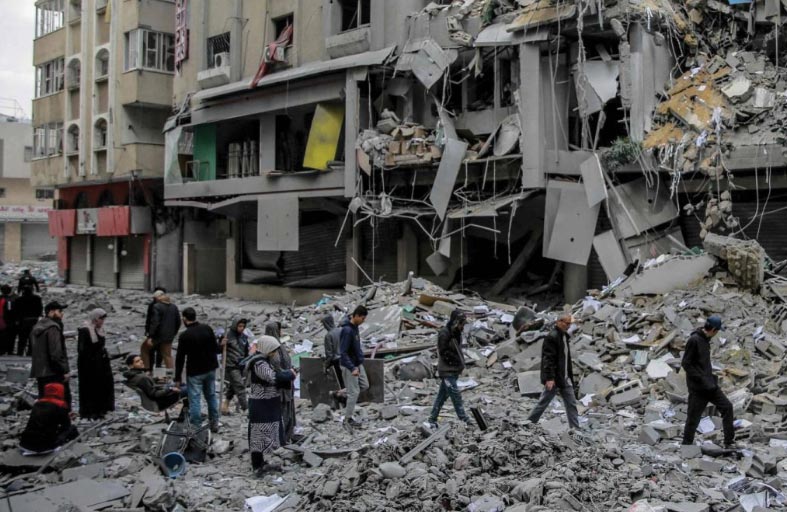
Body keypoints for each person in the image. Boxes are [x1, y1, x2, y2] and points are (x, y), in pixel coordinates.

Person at [681, 315, 737, 448]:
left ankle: (729, 442)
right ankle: (686, 446)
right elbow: (686, 363)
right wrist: (701, 378)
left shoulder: (705, 340)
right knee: (693, 418)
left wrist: (709, 378)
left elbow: (701, 363)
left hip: (710, 386)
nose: (717, 333)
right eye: (717, 331)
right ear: (712, 329)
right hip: (698, 388)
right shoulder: (694, 340)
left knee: (727, 407)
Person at [246, 335, 296, 477]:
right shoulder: (258, 363)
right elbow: (272, 377)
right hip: (261, 404)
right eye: (273, 350)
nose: (274, 353)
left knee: (265, 432)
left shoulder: (263, 360)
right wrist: (289, 374)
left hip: (267, 402)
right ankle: (257, 465)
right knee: (258, 435)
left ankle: (261, 462)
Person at [526, 314, 580, 429]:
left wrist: (569, 376)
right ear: (559, 322)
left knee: (571, 404)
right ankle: (528, 423)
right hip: (555, 378)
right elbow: (548, 359)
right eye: (567, 323)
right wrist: (549, 378)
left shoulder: (564, 336)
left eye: (570, 324)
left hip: (564, 378)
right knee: (543, 403)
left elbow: (565, 358)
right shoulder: (552, 337)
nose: (568, 326)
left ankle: (575, 430)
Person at [174, 307, 221, 432]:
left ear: (184, 318)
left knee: (195, 400)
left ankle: (196, 427)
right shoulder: (207, 328)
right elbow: (216, 349)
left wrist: (177, 378)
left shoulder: (184, 336)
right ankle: (214, 423)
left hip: (195, 372)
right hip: (210, 368)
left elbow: (180, 358)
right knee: (211, 396)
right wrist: (222, 344)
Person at [426, 309, 472, 428]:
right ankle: (464, 418)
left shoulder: (456, 333)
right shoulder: (445, 333)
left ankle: (432, 419)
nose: (462, 327)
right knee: (455, 395)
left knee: (442, 396)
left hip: (454, 370)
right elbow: (443, 352)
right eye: (461, 324)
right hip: (447, 371)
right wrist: (456, 360)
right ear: (456, 322)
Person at [30, 301, 71, 410]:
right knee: (59, 401)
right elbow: (56, 353)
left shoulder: (38, 326)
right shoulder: (53, 328)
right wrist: (64, 371)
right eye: (60, 311)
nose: (62, 313)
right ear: (51, 312)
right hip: (53, 372)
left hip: (41, 372)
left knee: (45, 400)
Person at [77, 308, 115, 420]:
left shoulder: (100, 330)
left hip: (101, 363)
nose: (102, 321)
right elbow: (82, 350)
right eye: (100, 319)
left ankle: (102, 409)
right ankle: (90, 411)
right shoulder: (85, 330)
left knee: (102, 386)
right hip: (89, 365)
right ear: (95, 319)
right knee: (90, 387)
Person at [20, 382, 78, 453]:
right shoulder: (61, 405)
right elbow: (66, 426)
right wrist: (67, 417)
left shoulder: (37, 404)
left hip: (24, 443)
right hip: (44, 446)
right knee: (72, 429)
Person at [265, 320, 298, 442]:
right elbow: (274, 368)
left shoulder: (279, 346)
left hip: (286, 384)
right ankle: (279, 439)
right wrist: (288, 373)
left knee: (287, 411)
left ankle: (286, 436)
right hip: (278, 387)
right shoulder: (269, 349)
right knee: (280, 412)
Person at [339, 305, 369, 431]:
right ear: (356, 316)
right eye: (362, 318)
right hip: (349, 365)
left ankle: (341, 393)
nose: (363, 321)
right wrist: (352, 368)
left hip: (357, 363)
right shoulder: (347, 330)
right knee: (354, 393)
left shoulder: (355, 327)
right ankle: (347, 419)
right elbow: (343, 352)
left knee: (364, 385)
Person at [142, 292, 181, 370]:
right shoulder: (174, 307)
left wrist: (150, 336)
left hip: (158, 336)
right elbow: (178, 322)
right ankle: (170, 374)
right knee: (167, 356)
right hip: (169, 336)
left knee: (144, 349)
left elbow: (155, 322)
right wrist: (173, 333)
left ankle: (147, 371)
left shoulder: (157, 306)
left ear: (158, 299)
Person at [221, 318, 251, 414]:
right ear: (235, 326)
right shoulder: (227, 336)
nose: (241, 328)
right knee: (239, 386)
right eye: (239, 326)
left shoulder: (244, 337)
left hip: (241, 365)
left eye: (243, 326)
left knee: (233, 386)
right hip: (231, 365)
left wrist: (247, 361)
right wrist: (221, 344)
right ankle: (246, 408)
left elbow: (246, 351)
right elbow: (218, 350)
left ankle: (225, 405)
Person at [15, 285, 43, 356]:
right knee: (32, 338)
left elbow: (16, 311)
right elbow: (40, 309)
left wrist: (17, 320)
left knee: (22, 339)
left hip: (23, 321)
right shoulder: (37, 298)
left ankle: (20, 353)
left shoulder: (19, 299)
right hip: (33, 320)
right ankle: (30, 353)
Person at [143, 287, 166, 368]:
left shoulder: (164, 305)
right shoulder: (154, 305)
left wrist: (148, 332)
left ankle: (153, 369)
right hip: (158, 333)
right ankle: (154, 369)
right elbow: (149, 319)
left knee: (156, 352)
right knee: (155, 351)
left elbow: (150, 320)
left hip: (156, 333)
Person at [322, 314, 344, 389]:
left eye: (324, 324)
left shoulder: (328, 336)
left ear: (327, 324)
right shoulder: (341, 330)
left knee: (340, 383)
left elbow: (329, 354)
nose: (324, 327)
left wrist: (326, 365)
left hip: (337, 362)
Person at [0, 284, 15, 355]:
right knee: (7, 336)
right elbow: (9, 310)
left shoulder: (1, 298)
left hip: (2, 320)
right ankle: (7, 350)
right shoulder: (9, 299)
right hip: (5, 321)